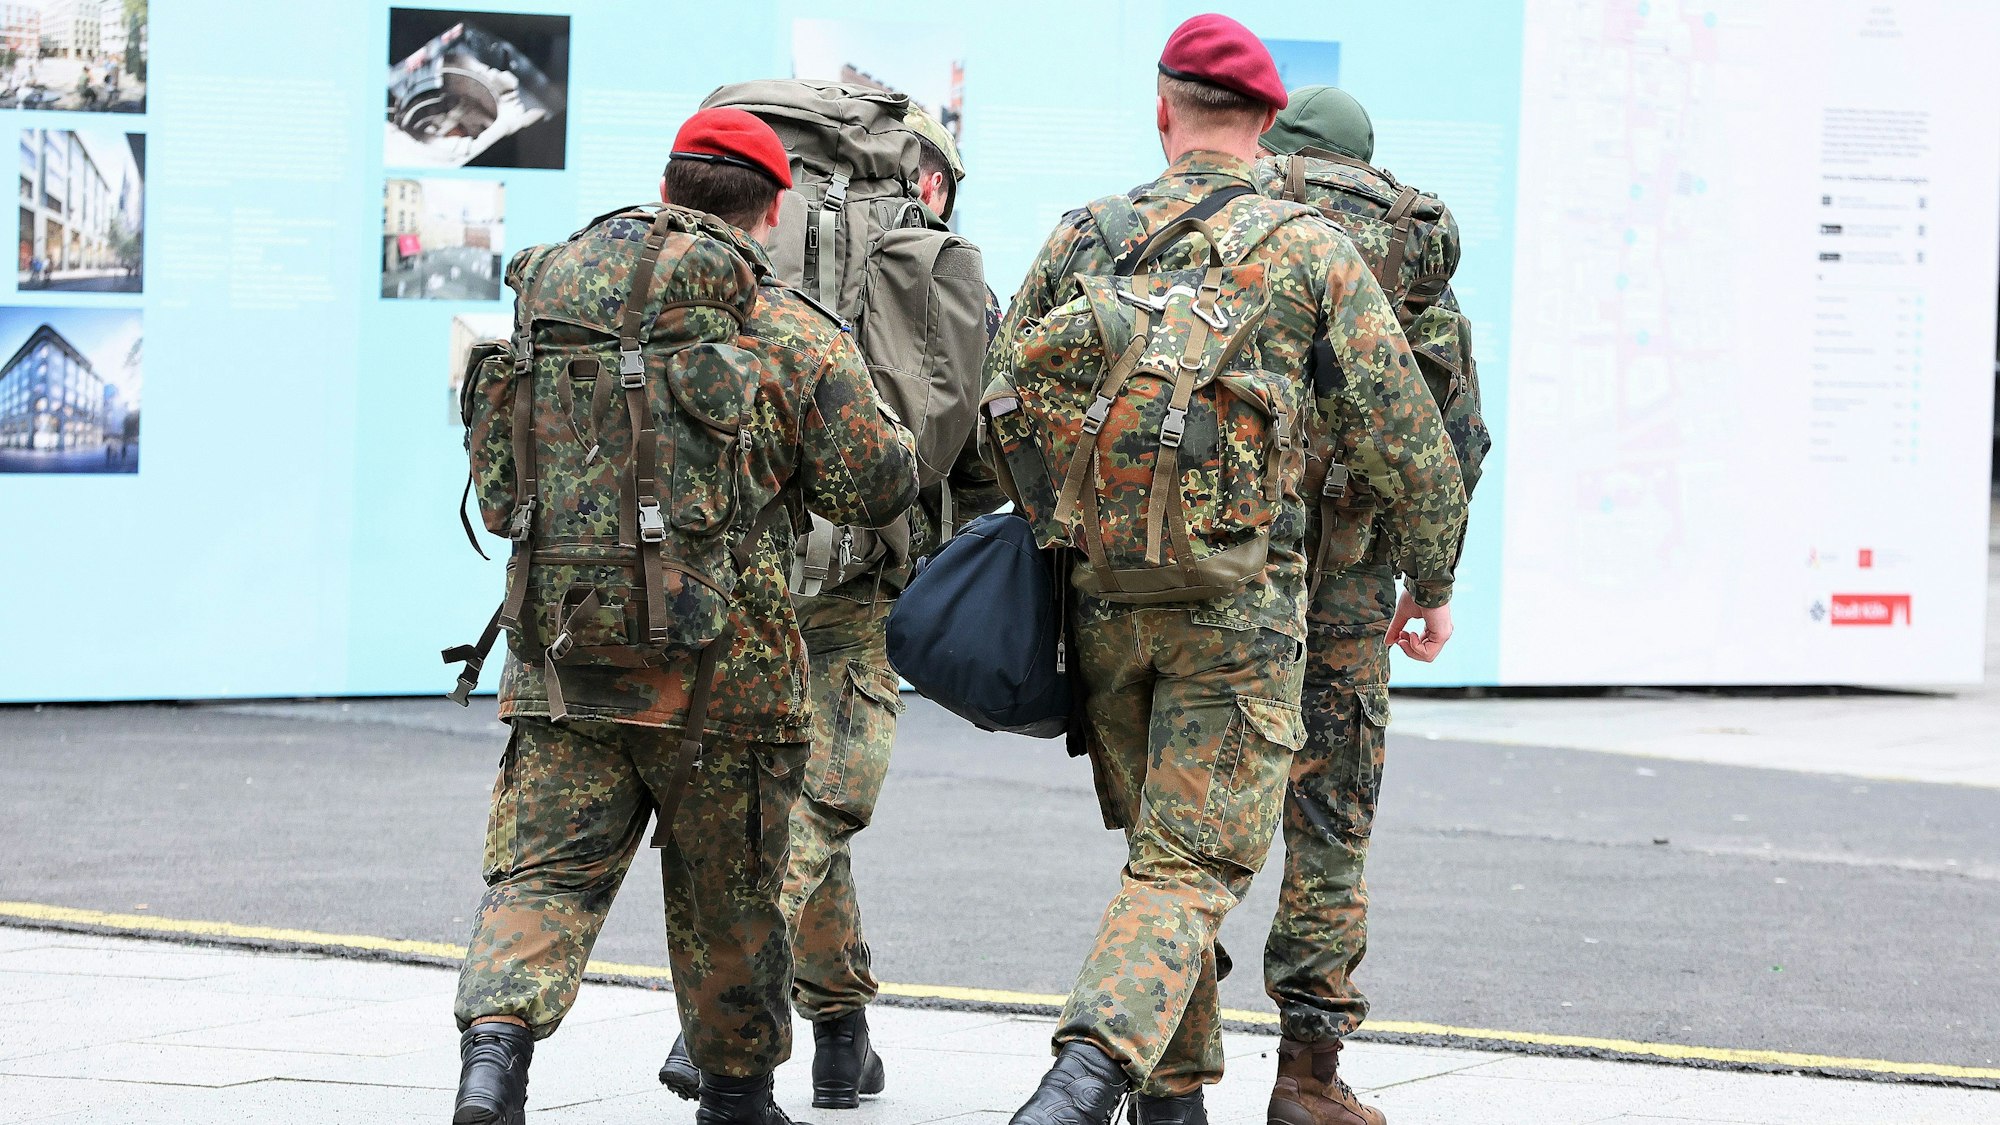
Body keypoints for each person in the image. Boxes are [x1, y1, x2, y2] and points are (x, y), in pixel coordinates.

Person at [986, 16, 1466, 1125]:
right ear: (1262, 128)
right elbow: (1408, 444)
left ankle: (1172, 1103)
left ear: (1162, 113)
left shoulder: (1082, 234)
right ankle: (1084, 1074)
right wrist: (1429, 585)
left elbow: (998, 398)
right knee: (1188, 864)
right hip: (1241, 611)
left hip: (1103, 600)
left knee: (1158, 851)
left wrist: (1057, 523)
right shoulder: (1307, 250)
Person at [449, 107, 919, 1125]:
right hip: (728, 681)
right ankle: (739, 1097)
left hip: (563, 655)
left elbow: (496, 487)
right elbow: (870, 482)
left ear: (666, 184)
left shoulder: (555, 308)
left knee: (544, 876)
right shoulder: (780, 324)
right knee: (732, 901)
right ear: (772, 206)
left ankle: (493, 1062)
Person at [657, 101, 1006, 1111]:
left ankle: (842, 1036)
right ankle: (721, 1003)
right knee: (827, 789)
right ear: (925, 183)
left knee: (794, 802)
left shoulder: (704, 252)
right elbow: (970, 436)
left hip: (720, 567)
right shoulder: (929, 264)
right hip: (851, 569)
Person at [1252, 87, 1490, 1125]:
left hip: (1221, 573)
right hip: (1349, 586)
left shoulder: (1231, 226)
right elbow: (1450, 441)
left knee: (1189, 816)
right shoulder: (1408, 261)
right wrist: (1427, 585)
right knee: (1330, 814)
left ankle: (1166, 1058)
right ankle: (1306, 1076)